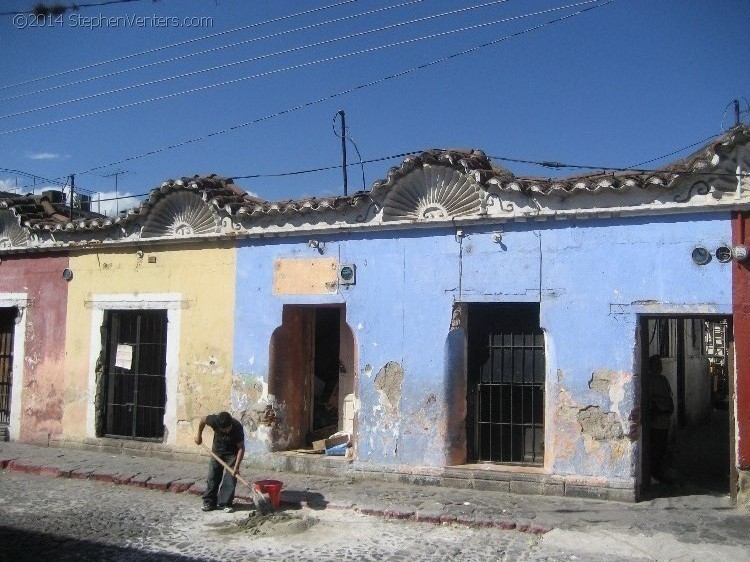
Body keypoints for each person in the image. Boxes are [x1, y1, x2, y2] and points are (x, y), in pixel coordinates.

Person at [195, 411, 245, 512]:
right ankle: (209, 502)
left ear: (231, 424)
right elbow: (202, 420)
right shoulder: (214, 420)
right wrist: (199, 436)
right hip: (217, 451)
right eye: (223, 429)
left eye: (228, 428)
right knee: (213, 476)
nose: (226, 431)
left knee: (230, 478)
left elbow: (241, 448)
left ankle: (225, 503)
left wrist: (236, 466)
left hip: (232, 453)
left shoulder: (237, 428)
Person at [648, 355, 674, 485]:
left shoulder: (663, 380)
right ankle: (654, 473)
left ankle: (659, 472)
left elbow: (669, 396)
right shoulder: (649, 381)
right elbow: (650, 399)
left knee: (662, 447)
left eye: (659, 364)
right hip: (655, 420)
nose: (659, 367)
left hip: (664, 419)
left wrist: (670, 408)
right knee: (655, 448)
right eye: (655, 365)